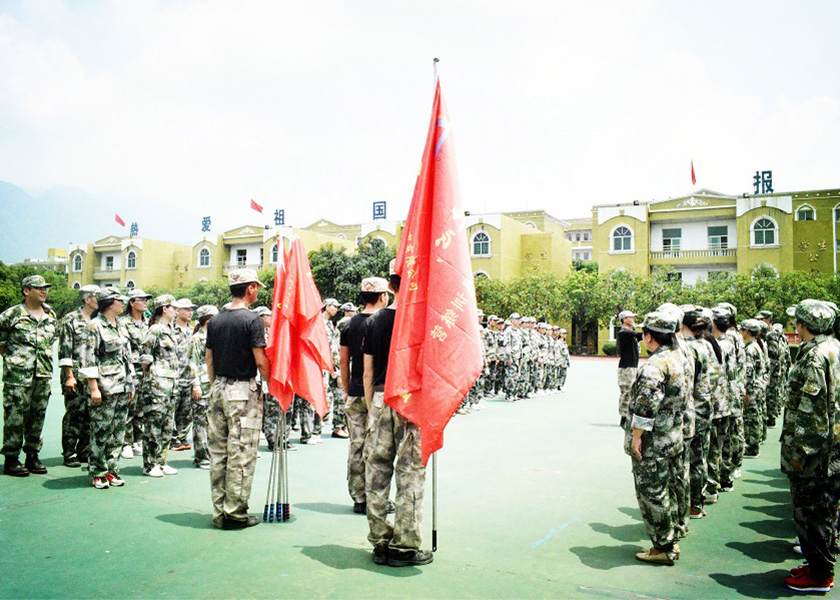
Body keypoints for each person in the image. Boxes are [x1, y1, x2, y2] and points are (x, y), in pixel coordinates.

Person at [363, 261, 433, 567]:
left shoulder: (374, 321)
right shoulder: (423, 320)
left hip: (381, 398)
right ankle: (404, 545)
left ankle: (380, 540)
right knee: (411, 473)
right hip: (411, 401)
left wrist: (372, 408)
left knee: (376, 473)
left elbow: (367, 372)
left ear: (390, 286)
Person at [781, 299, 840, 593]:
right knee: (824, 511)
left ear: (802, 324)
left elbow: (812, 411)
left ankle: (819, 575)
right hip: (830, 447)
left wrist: (801, 453)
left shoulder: (816, 356)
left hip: (816, 455)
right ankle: (818, 564)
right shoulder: (833, 347)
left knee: (811, 513)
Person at [205, 268, 270, 530]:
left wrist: (215, 385)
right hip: (242, 391)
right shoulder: (252, 320)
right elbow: (260, 359)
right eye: (256, 287)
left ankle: (220, 510)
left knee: (219, 453)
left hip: (218, 388)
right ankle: (235, 512)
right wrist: (273, 385)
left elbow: (209, 358)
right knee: (241, 453)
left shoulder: (216, 320)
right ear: (250, 288)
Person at [626, 311, 685, 565]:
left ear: (649, 337)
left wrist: (636, 436)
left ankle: (663, 547)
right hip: (672, 435)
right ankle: (670, 538)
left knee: (652, 493)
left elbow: (646, 406)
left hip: (654, 441)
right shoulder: (677, 357)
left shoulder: (655, 366)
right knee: (669, 489)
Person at [0, 275, 59, 477]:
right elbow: (1, 344)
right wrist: (16, 361)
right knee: (15, 417)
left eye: (46, 288)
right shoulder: (11, 315)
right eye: (38, 288)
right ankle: (11, 457)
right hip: (17, 376)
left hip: (43, 374)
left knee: (37, 415)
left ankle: (32, 454)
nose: (44, 291)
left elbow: (50, 341)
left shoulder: (50, 314)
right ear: (26, 291)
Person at [340, 276, 389, 513]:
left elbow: (344, 361)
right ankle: (375, 497)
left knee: (356, 445)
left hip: (355, 391)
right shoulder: (385, 322)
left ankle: (358, 497)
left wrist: (346, 389)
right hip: (377, 391)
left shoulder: (348, 324)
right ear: (383, 296)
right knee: (377, 448)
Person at [79, 288, 135, 489]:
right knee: (100, 430)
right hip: (105, 387)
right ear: (110, 303)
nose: (123, 304)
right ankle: (98, 471)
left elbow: (127, 357)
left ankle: (112, 469)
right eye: (120, 300)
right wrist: (94, 388)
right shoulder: (94, 326)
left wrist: (130, 383)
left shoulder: (120, 325)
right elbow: (88, 358)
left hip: (122, 386)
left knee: (118, 432)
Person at [58, 284, 99, 468]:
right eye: (96, 297)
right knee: (75, 413)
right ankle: (69, 452)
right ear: (87, 299)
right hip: (75, 374)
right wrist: (69, 376)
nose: (99, 301)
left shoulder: (97, 320)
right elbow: (64, 350)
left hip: (92, 375)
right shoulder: (71, 319)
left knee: (90, 414)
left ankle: (84, 450)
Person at [140, 294, 180, 478]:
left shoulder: (170, 329)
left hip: (171, 385)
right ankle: (150, 464)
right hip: (157, 385)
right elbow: (145, 356)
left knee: (167, 425)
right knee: (153, 426)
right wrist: (153, 376)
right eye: (174, 308)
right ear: (164, 309)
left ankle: (161, 461)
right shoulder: (155, 330)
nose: (176, 311)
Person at [119, 289, 152, 459]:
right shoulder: (123, 322)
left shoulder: (149, 323)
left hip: (146, 370)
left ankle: (137, 440)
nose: (145, 303)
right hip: (131, 369)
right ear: (131, 303)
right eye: (142, 300)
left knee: (142, 408)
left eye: (147, 300)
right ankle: (126, 443)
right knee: (129, 407)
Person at [186, 304, 218, 469]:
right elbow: (192, 363)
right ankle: (201, 456)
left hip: (213, 383)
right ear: (208, 320)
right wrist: (195, 385)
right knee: (200, 421)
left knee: (213, 420)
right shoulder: (196, 339)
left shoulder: (216, 336)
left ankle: (211, 454)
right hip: (202, 384)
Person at [170, 298, 196, 451]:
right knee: (172, 408)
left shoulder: (193, 331)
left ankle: (181, 437)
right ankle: (172, 438)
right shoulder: (170, 330)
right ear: (177, 311)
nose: (190, 312)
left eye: (191, 309)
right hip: (174, 376)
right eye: (186, 309)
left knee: (187, 410)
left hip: (189, 376)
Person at [740, 319, 766, 457]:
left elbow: (748, 373)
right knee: (756, 415)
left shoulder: (750, 349)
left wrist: (747, 392)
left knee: (751, 418)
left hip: (753, 388)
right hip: (758, 386)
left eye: (741, 330)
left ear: (747, 332)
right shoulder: (756, 346)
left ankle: (752, 447)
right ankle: (755, 442)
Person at [322, 298, 348, 438]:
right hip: (323, 366)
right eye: (334, 306)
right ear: (326, 306)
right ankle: (313, 431)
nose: (336, 309)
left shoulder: (331, 324)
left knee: (339, 394)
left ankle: (338, 426)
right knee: (323, 398)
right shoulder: (320, 323)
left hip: (333, 365)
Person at [616, 310, 643, 425]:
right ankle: (624, 416)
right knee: (627, 392)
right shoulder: (624, 333)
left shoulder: (630, 332)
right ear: (624, 319)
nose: (633, 320)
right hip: (626, 367)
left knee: (632, 392)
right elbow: (640, 335)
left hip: (632, 366)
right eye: (630, 318)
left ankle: (627, 415)